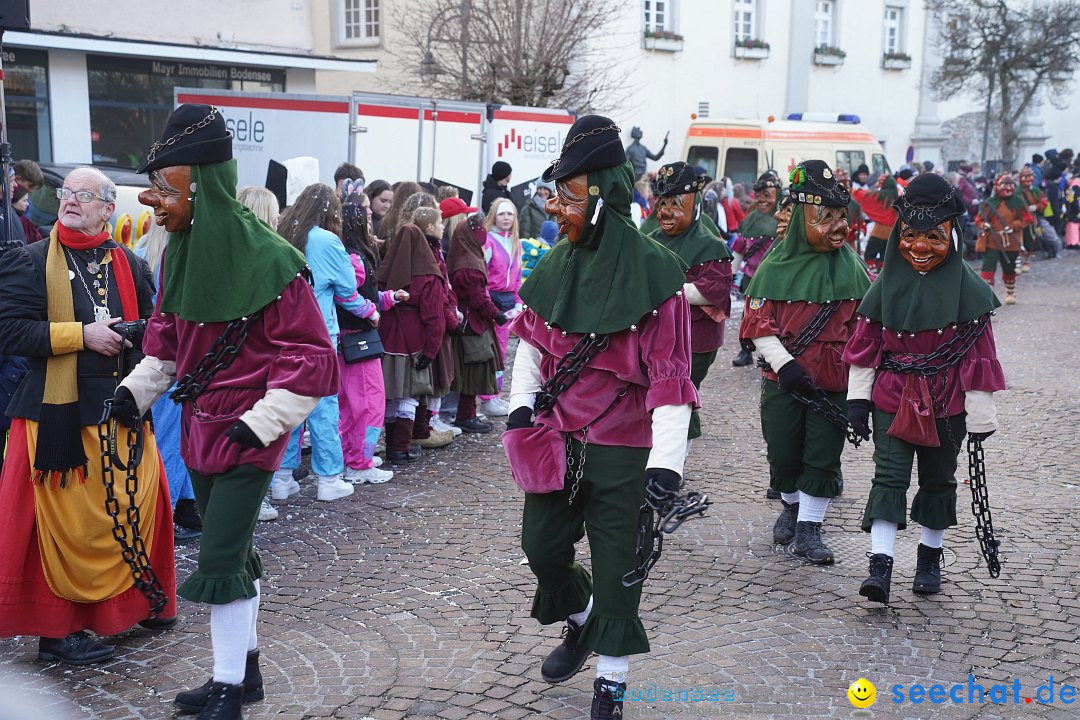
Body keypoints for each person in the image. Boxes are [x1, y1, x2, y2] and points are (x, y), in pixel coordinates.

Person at [117, 104, 340, 719]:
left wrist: (260, 421)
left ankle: (226, 689)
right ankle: (247, 672)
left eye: (164, 187)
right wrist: (133, 392)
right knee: (235, 553)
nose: (152, 201)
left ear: (200, 183)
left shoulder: (270, 259)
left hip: (249, 434)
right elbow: (167, 341)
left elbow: (312, 359)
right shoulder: (179, 254)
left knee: (218, 556)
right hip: (200, 428)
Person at [506, 115, 697, 719]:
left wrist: (666, 466)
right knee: (541, 547)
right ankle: (580, 620)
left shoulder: (657, 273)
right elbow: (532, 346)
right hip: (558, 439)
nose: (557, 206)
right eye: (555, 193)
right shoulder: (554, 263)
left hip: (626, 448)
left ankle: (610, 687)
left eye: (569, 193)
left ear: (602, 191)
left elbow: (670, 377)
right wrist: (518, 410)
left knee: (619, 569)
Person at [0, 167, 176, 663]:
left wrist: (139, 333)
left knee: (132, 511)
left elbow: (155, 332)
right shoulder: (30, 261)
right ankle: (59, 633)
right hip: (57, 419)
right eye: (66, 193)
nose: (71, 201)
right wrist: (82, 335)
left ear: (107, 208)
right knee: (68, 529)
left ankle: (130, 607)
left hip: (121, 412)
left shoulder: (131, 265)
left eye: (84, 195)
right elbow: (8, 332)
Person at [844, 173, 1005, 604]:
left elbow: (979, 354)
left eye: (933, 237)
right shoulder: (883, 287)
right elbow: (866, 348)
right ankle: (880, 567)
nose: (919, 247)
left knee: (938, 480)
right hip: (892, 397)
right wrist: (857, 401)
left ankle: (929, 559)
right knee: (889, 477)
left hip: (947, 401)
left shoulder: (970, 293)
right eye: (911, 236)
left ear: (951, 237)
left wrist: (981, 412)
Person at [738, 160, 871, 565]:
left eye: (840, 217)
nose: (837, 226)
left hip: (831, 382)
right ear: (800, 219)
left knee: (823, 453)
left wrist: (861, 394)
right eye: (825, 217)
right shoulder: (773, 266)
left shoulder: (853, 268)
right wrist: (784, 364)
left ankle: (810, 526)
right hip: (784, 380)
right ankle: (791, 505)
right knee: (783, 451)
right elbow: (758, 321)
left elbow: (865, 333)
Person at [272, 183, 371, 503]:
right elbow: (347, 291)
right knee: (324, 407)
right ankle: (329, 478)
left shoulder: (283, 232)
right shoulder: (327, 240)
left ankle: (282, 477)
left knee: (289, 407)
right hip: (318, 335)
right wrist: (372, 311)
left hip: (283, 335)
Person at [649, 162, 733, 446]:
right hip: (656, 337)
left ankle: (672, 462)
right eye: (662, 203)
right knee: (668, 397)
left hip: (695, 340)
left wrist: (669, 290)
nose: (666, 212)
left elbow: (715, 290)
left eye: (675, 203)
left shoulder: (710, 246)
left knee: (678, 396)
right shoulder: (648, 241)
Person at [133, 223, 204, 539]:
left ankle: (184, 505)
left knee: (176, 432)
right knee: (173, 436)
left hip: (156, 351)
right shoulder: (180, 253)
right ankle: (165, 513)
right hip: (177, 352)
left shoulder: (142, 249)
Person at [337, 200, 405, 484]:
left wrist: (387, 299)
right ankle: (359, 463)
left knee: (352, 405)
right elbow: (347, 294)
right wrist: (372, 311)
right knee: (368, 403)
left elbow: (359, 293)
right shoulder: (355, 258)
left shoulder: (350, 255)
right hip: (358, 342)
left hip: (349, 340)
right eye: (364, 217)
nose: (370, 222)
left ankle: (353, 457)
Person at [377, 222, 449, 466]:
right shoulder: (429, 275)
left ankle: (392, 447)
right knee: (409, 395)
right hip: (414, 342)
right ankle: (400, 448)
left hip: (386, 340)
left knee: (390, 395)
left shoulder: (384, 271)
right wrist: (431, 350)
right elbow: (433, 317)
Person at [448, 214, 507, 433]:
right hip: (471, 326)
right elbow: (477, 298)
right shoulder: (468, 265)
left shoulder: (466, 255)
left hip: (472, 322)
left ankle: (467, 413)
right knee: (473, 369)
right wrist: (496, 314)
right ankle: (465, 415)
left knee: (473, 369)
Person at [409, 206, 458, 451]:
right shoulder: (427, 254)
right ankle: (421, 429)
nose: (443, 226)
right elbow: (435, 294)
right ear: (429, 227)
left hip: (444, 320)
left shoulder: (435, 251)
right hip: (436, 323)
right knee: (429, 379)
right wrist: (451, 318)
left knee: (438, 377)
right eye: (439, 223)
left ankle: (428, 423)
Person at [730, 171, 783, 367]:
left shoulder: (784, 218)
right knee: (749, 317)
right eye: (758, 195)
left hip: (776, 282)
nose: (762, 200)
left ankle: (775, 356)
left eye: (766, 195)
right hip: (752, 280)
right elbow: (739, 248)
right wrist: (731, 273)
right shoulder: (750, 219)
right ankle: (746, 351)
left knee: (777, 319)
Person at [480, 199, 523, 417]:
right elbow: (482, 275)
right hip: (491, 301)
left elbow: (517, 277)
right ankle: (486, 397)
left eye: (510, 214)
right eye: (502, 214)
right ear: (494, 216)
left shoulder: (516, 242)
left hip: (507, 302)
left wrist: (518, 302)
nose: (506, 218)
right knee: (486, 350)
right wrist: (487, 303)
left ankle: (493, 395)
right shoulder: (487, 241)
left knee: (501, 351)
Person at [976, 173, 1031, 305]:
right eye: (1004, 185)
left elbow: (1027, 219)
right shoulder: (989, 203)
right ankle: (986, 296)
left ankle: (1010, 293)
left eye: (1010, 185)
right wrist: (984, 225)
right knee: (988, 267)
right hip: (992, 241)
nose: (1007, 188)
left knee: (1009, 268)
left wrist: (1014, 226)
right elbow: (979, 219)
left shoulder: (1018, 202)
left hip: (1010, 242)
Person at [852, 173, 900, 274]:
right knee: (884, 256)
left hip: (880, 231)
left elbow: (865, 196)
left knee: (869, 254)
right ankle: (883, 275)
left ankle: (871, 274)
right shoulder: (897, 194)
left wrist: (853, 190)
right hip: (893, 232)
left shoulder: (881, 196)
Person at [1017, 166, 1048, 272]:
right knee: (1018, 241)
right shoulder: (1016, 191)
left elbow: (1043, 202)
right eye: (1025, 177)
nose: (1027, 180)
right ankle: (1018, 263)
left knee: (1029, 239)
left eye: (1029, 177)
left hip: (1031, 220)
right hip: (1018, 220)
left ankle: (1026, 261)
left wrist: (1036, 207)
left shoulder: (1035, 190)